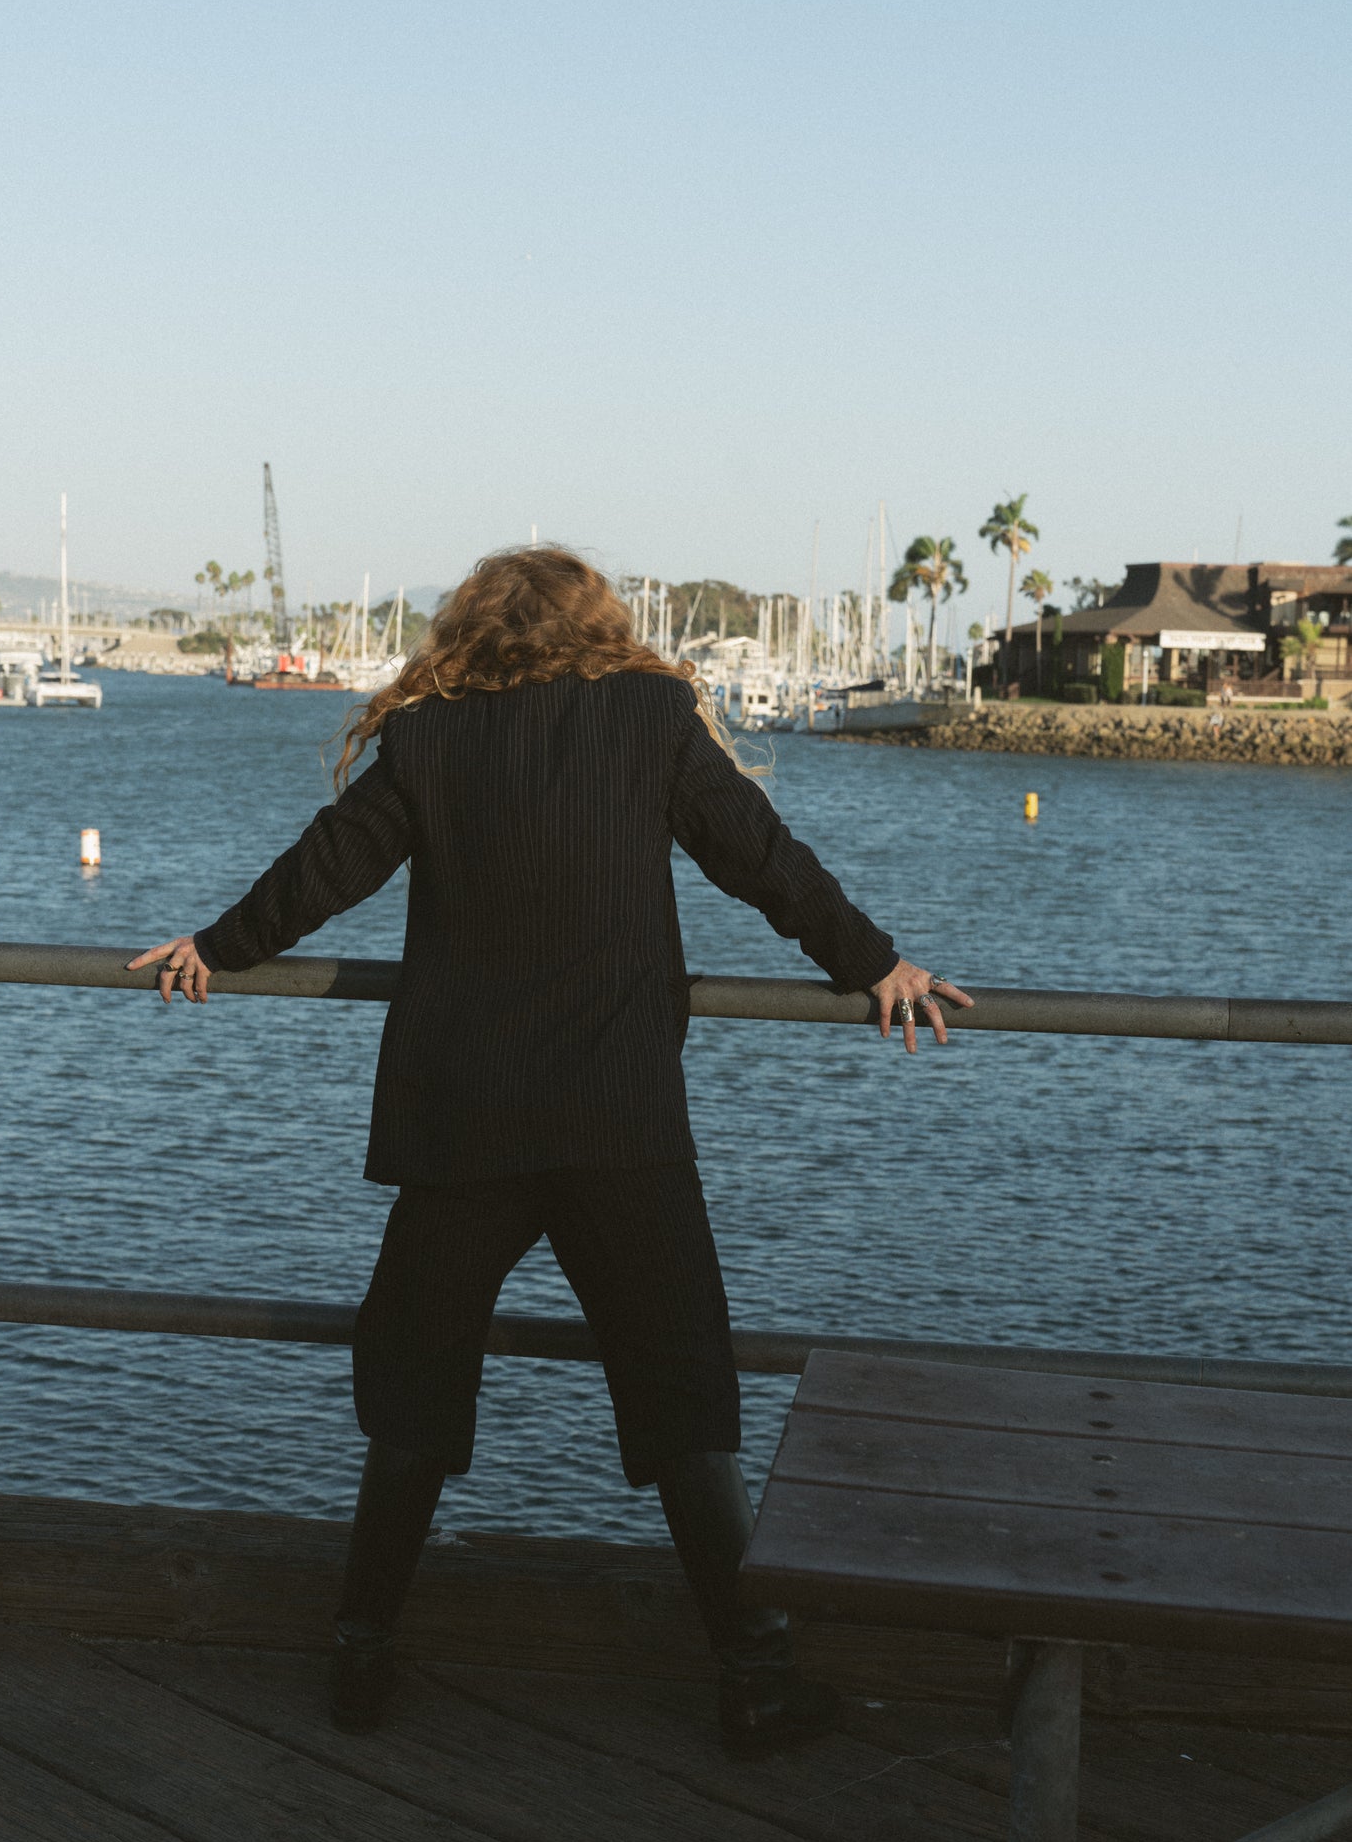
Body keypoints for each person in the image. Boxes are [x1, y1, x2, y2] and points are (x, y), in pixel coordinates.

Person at [129, 547, 972, 1756]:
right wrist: (874, 963)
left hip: (462, 1116)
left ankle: (359, 1657)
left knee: (416, 1381)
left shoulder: (431, 736)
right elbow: (758, 858)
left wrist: (218, 943)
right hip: (614, 1116)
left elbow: (327, 869)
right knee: (682, 1387)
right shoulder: (647, 714)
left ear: (470, 629)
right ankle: (751, 1673)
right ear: (597, 624)